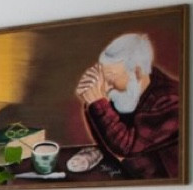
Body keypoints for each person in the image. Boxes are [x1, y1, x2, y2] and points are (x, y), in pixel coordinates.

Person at [75, 32, 182, 179]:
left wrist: (98, 103)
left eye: (111, 76)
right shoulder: (131, 93)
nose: (106, 84)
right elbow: (109, 144)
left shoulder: (171, 101)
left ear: (137, 72)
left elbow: (125, 146)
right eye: (104, 77)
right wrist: (93, 103)